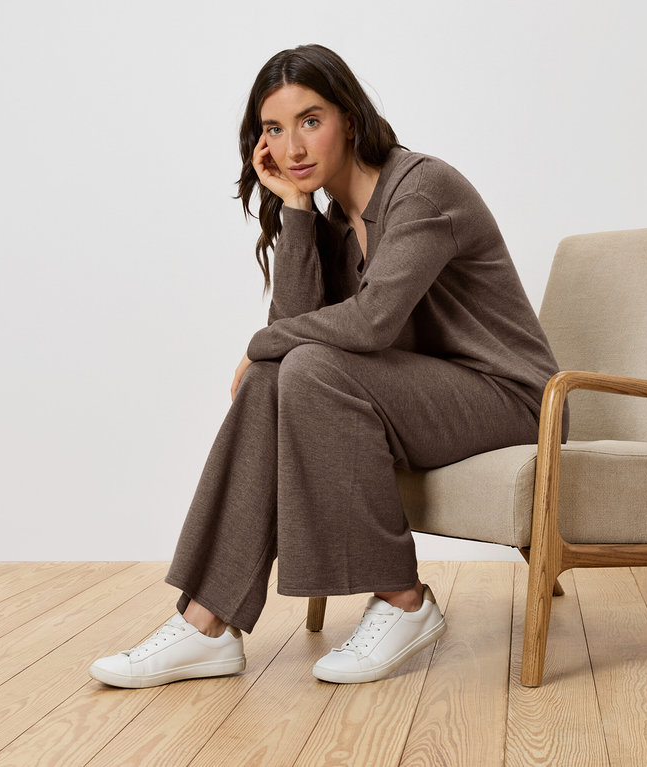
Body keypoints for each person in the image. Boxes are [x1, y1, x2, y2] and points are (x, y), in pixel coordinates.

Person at [89, 43, 565, 689]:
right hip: (419, 396)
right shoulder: (335, 215)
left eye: (310, 120)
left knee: (300, 364)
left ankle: (404, 600)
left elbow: (369, 325)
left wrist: (263, 341)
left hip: (512, 399)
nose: (292, 147)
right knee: (276, 373)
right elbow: (294, 333)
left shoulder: (423, 188)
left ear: (349, 116)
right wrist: (294, 211)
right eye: (273, 129)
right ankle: (207, 622)